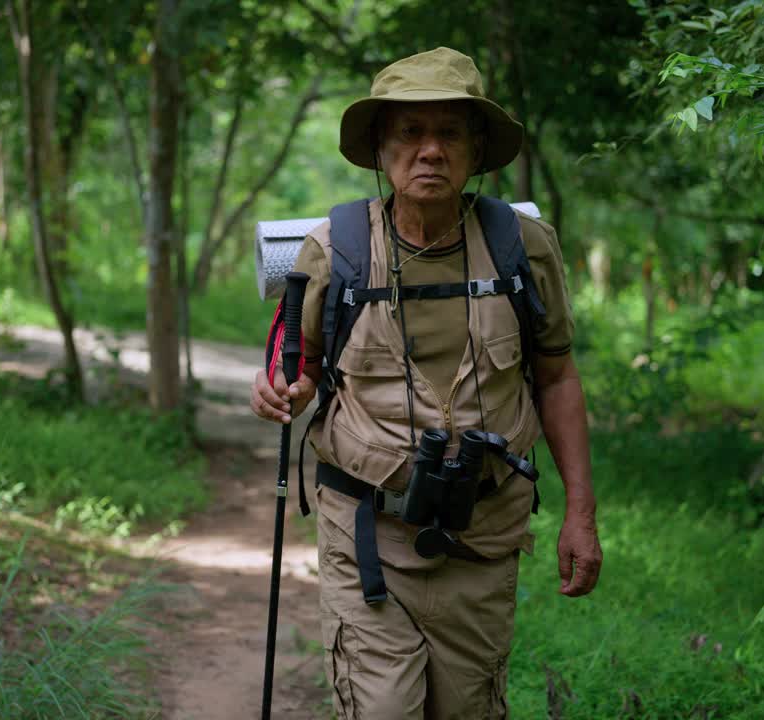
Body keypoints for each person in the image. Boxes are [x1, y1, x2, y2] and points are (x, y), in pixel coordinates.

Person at [249, 47, 601, 719]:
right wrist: (280, 389)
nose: (430, 151)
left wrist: (580, 515)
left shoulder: (521, 247)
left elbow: (556, 376)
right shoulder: (340, 247)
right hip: (367, 534)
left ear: (476, 151)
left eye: (449, 134)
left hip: (483, 534)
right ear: (383, 149)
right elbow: (298, 361)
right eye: (411, 133)